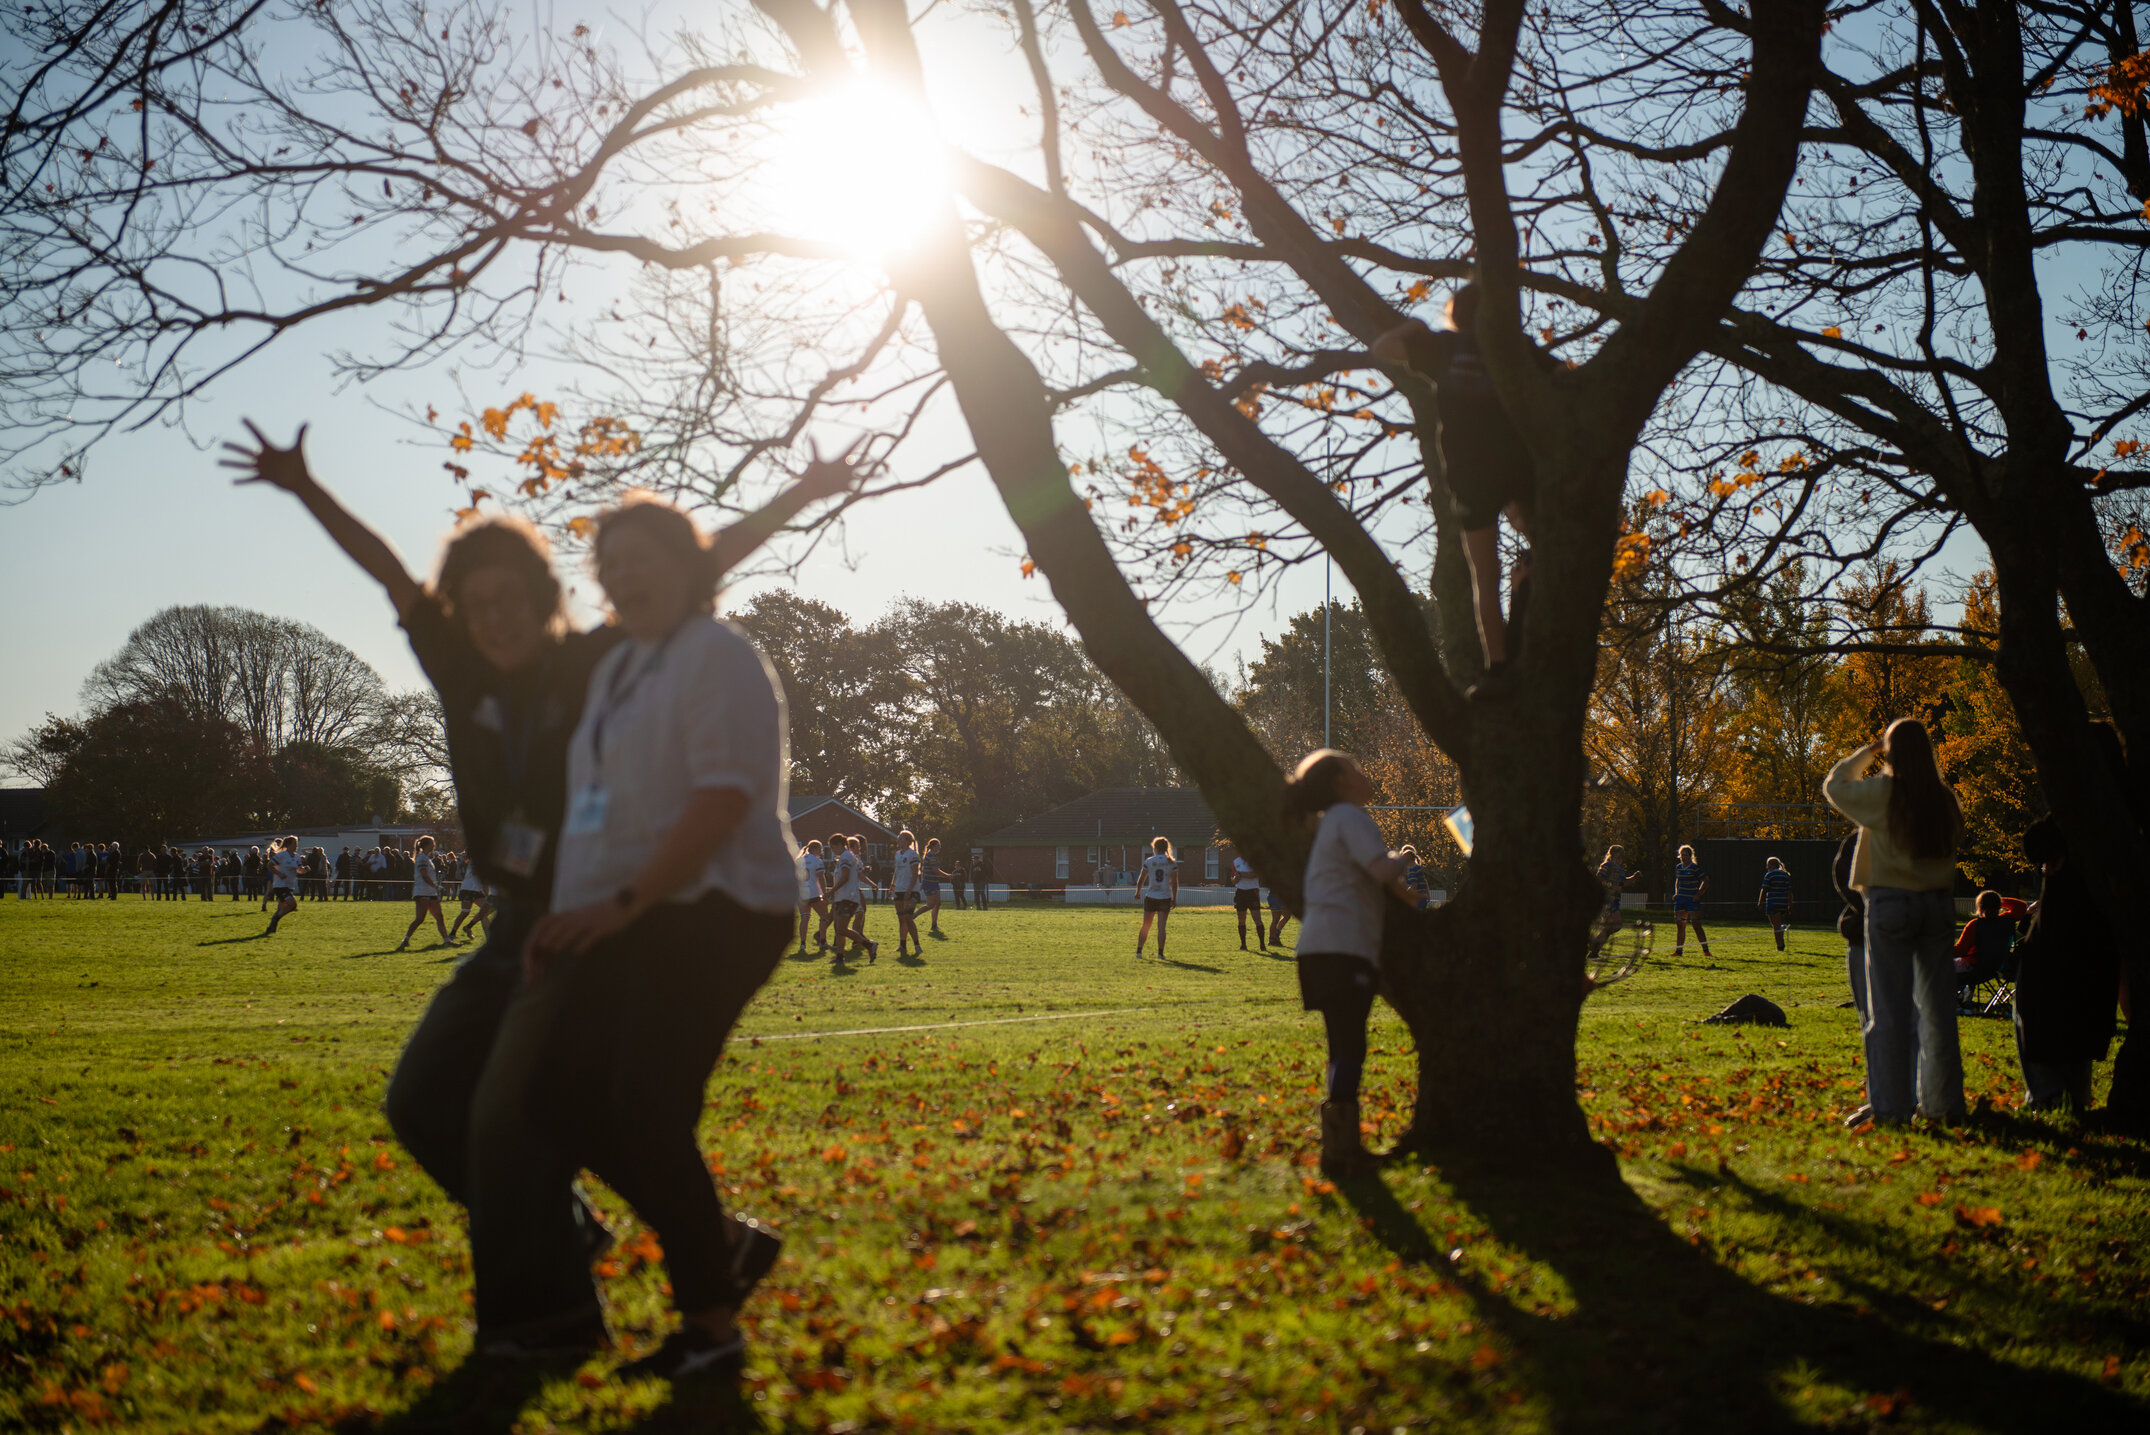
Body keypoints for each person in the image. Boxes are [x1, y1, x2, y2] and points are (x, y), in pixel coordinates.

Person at [228, 420, 855, 1361]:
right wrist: (305, 487)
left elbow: (692, 566)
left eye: (510, 596)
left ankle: (547, 1317)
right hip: (509, 919)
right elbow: (392, 572)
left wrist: (797, 499)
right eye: (475, 602)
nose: (494, 616)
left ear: (547, 597)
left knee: (520, 1108)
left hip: (586, 915)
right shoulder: (462, 666)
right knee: (423, 1101)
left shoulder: (594, 661)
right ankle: (614, 1233)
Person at [516, 493, 804, 1378]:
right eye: (612, 559)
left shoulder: (718, 657)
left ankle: (711, 1330)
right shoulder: (617, 674)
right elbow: (596, 817)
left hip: (722, 907)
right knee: (565, 1092)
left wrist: (624, 903)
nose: (625, 572)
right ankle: (722, 1245)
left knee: (645, 1107)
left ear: (691, 568)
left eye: (645, 555)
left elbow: (720, 801)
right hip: (637, 909)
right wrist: (561, 921)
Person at [1371, 279, 1554, 701]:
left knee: (1483, 578)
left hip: (1471, 475)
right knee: (1542, 549)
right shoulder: (1514, 348)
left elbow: (1381, 350)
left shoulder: (1443, 349)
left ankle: (1499, 665)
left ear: (1456, 314)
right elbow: (1564, 375)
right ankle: (1529, 601)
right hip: (1515, 467)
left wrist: (1411, 326)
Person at [1824, 718, 1966, 1128]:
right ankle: (1944, 1103)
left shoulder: (1884, 794)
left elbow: (1834, 785)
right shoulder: (1943, 799)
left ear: (1892, 751)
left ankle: (1891, 1108)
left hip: (1891, 904)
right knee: (1938, 1011)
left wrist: (1868, 751)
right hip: (1937, 906)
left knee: (1889, 1011)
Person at [1286, 749, 1414, 1176]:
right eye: (1357, 769)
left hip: (1318, 950)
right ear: (1342, 781)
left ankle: (1338, 1145)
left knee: (1341, 1046)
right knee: (1350, 1045)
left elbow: (1364, 878)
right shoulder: (1350, 818)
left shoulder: (1330, 825)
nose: (1365, 775)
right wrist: (1406, 856)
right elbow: (1379, 870)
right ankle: (1341, 1151)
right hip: (1343, 948)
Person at [2011, 820, 2121, 1112]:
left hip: (2058, 952)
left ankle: (2049, 1095)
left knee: (2038, 1008)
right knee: (2076, 1011)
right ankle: (2073, 1095)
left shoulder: (2070, 824)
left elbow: (2035, 843)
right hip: (2086, 948)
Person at [1950, 890, 2026, 984]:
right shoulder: (2006, 920)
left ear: (1980, 907)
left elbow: (1961, 951)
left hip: (1974, 968)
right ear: (1999, 906)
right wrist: (1996, 900)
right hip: (1998, 967)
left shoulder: (1975, 925)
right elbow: (2021, 906)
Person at [827, 834, 877, 965]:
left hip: (847, 897)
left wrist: (831, 891)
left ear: (839, 845)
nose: (833, 851)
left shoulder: (846, 857)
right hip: (842, 897)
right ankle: (839, 957)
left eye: (833, 848)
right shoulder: (844, 857)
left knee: (842, 929)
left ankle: (869, 945)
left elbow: (845, 877)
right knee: (838, 928)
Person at [397, 835, 454, 951]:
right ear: (427, 845)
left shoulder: (427, 858)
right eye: (432, 843)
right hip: (422, 892)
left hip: (430, 892)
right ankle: (406, 939)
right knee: (420, 919)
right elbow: (424, 875)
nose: (434, 845)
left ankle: (447, 941)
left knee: (439, 916)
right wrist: (437, 886)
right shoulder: (422, 858)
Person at [1133, 836, 1179, 959]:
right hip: (1165, 897)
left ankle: (1139, 951)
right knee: (1161, 927)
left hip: (1151, 896)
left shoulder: (1149, 861)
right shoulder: (1171, 862)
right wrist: (1174, 898)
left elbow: (1142, 878)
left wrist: (1138, 892)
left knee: (1146, 925)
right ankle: (1160, 953)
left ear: (1155, 848)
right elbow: (1174, 882)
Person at [1670, 845, 1714, 962]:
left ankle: (1706, 950)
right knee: (1680, 925)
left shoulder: (1695, 868)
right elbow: (1678, 881)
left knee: (1696, 924)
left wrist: (1698, 894)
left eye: (1685, 855)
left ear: (1690, 856)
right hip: (1681, 900)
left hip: (1692, 900)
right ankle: (1678, 951)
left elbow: (1706, 880)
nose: (1683, 858)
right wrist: (1676, 893)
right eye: (1682, 855)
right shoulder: (1679, 867)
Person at [888, 830, 924, 958]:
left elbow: (915, 874)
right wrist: (892, 886)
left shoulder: (913, 855)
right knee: (901, 919)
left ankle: (917, 945)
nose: (898, 841)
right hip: (899, 890)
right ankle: (902, 945)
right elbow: (896, 872)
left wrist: (909, 890)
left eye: (901, 838)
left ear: (908, 841)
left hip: (911, 890)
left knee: (908, 917)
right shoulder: (898, 854)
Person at [1228, 848, 1266, 951]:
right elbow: (1233, 880)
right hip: (1240, 893)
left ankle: (1262, 945)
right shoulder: (1236, 862)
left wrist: (1242, 875)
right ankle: (1243, 945)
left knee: (1257, 919)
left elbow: (1256, 874)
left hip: (1252, 892)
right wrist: (1236, 878)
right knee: (1241, 920)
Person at [796, 839, 829, 952]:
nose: (821, 851)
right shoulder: (817, 861)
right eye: (821, 849)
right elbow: (821, 878)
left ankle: (803, 943)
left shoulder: (799, 860)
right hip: (813, 892)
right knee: (824, 916)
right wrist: (824, 893)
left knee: (805, 917)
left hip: (801, 893)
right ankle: (823, 941)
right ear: (816, 849)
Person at [264, 836, 301, 934]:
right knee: (293, 905)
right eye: (294, 844)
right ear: (288, 845)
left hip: (289, 886)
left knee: (281, 909)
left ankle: (271, 928)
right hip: (280, 885)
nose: (296, 846)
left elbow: (299, 870)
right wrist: (279, 874)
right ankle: (275, 920)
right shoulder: (282, 855)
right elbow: (269, 866)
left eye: (297, 844)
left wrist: (305, 870)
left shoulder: (297, 857)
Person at [1758, 856, 1795, 951]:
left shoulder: (1769, 875)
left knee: (1776, 926)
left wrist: (1760, 901)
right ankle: (1782, 939)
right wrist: (1790, 904)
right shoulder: (1785, 875)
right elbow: (1789, 891)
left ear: (1771, 865)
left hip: (1773, 902)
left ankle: (1780, 946)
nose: (1767, 867)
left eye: (1768, 865)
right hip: (1783, 903)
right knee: (1779, 924)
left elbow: (1764, 889)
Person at [1596, 844, 1635, 932]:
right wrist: (1611, 886)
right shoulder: (1607, 865)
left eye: (1622, 857)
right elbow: (1599, 878)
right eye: (1618, 857)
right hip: (1607, 899)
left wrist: (1634, 878)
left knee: (1612, 926)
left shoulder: (1620, 868)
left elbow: (1623, 882)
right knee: (1615, 924)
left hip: (1615, 900)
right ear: (1612, 856)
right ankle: (1597, 941)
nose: (1620, 859)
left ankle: (1598, 942)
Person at [921, 837, 952, 937]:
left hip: (934, 882)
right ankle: (913, 916)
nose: (940, 848)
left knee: (937, 904)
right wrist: (948, 876)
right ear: (934, 846)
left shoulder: (932, 855)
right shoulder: (931, 856)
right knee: (930, 905)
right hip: (930, 883)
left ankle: (934, 924)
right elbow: (935, 870)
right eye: (938, 846)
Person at [1400, 846, 1432, 911]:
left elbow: (1414, 884)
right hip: (1423, 897)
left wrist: (1407, 893)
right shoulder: (1418, 867)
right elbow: (1423, 881)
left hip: (1417, 898)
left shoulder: (1411, 870)